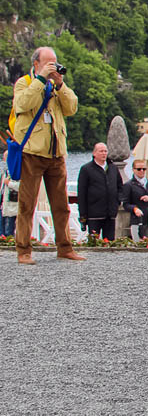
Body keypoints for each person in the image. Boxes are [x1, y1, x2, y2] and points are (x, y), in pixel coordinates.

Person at [11, 46, 85, 264]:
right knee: (27, 205)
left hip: (56, 154)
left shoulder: (56, 86)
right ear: (36, 64)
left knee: (61, 205)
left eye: (54, 62)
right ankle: (23, 250)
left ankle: (65, 248)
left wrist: (60, 84)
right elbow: (23, 104)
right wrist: (41, 80)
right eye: (48, 62)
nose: (52, 66)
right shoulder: (25, 83)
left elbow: (71, 107)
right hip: (32, 153)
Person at [77, 142, 123, 241]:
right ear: (94, 153)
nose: (104, 153)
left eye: (105, 151)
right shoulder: (86, 169)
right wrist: (83, 214)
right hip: (94, 213)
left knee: (110, 241)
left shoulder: (113, 168)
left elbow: (120, 186)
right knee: (94, 242)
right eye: (101, 151)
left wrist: (117, 201)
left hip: (110, 213)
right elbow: (81, 193)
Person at [121, 159, 148, 239]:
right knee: (138, 243)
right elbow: (125, 204)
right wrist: (135, 209)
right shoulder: (128, 185)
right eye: (139, 169)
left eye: (144, 169)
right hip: (136, 220)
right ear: (133, 170)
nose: (142, 171)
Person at [1, 150, 18, 238]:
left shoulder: (17, 172)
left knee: (10, 228)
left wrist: (9, 183)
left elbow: (21, 186)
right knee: (2, 229)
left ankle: (10, 242)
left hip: (13, 204)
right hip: (4, 204)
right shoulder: (5, 172)